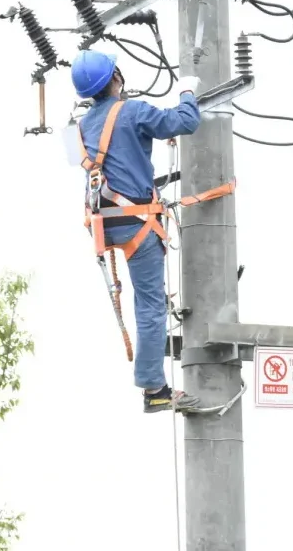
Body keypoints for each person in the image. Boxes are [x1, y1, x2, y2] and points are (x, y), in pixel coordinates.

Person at [71, 48, 204, 413]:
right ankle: (154, 388)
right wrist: (187, 93)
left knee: (147, 301)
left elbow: (88, 160)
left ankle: (155, 368)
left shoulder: (78, 128)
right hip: (137, 221)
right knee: (149, 305)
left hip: (103, 223)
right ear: (116, 77)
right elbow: (185, 121)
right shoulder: (132, 111)